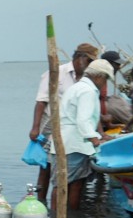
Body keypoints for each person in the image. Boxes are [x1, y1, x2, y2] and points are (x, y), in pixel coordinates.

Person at [27, 42, 98, 205]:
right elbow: (41, 101)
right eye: (89, 62)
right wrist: (35, 127)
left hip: (72, 127)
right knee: (46, 167)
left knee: (72, 172)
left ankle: (67, 208)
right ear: (79, 58)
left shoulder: (87, 80)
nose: (90, 66)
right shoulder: (56, 73)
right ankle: (40, 202)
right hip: (51, 123)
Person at [55, 59, 114, 209]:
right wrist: (95, 140)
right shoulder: (87, 91)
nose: (104, 83)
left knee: (61, 184)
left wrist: (99, 136)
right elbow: (83, 121)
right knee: (73, 185)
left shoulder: (76, 87)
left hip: (65, 142)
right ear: (99, 76)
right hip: (74, 145)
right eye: (105, 79)